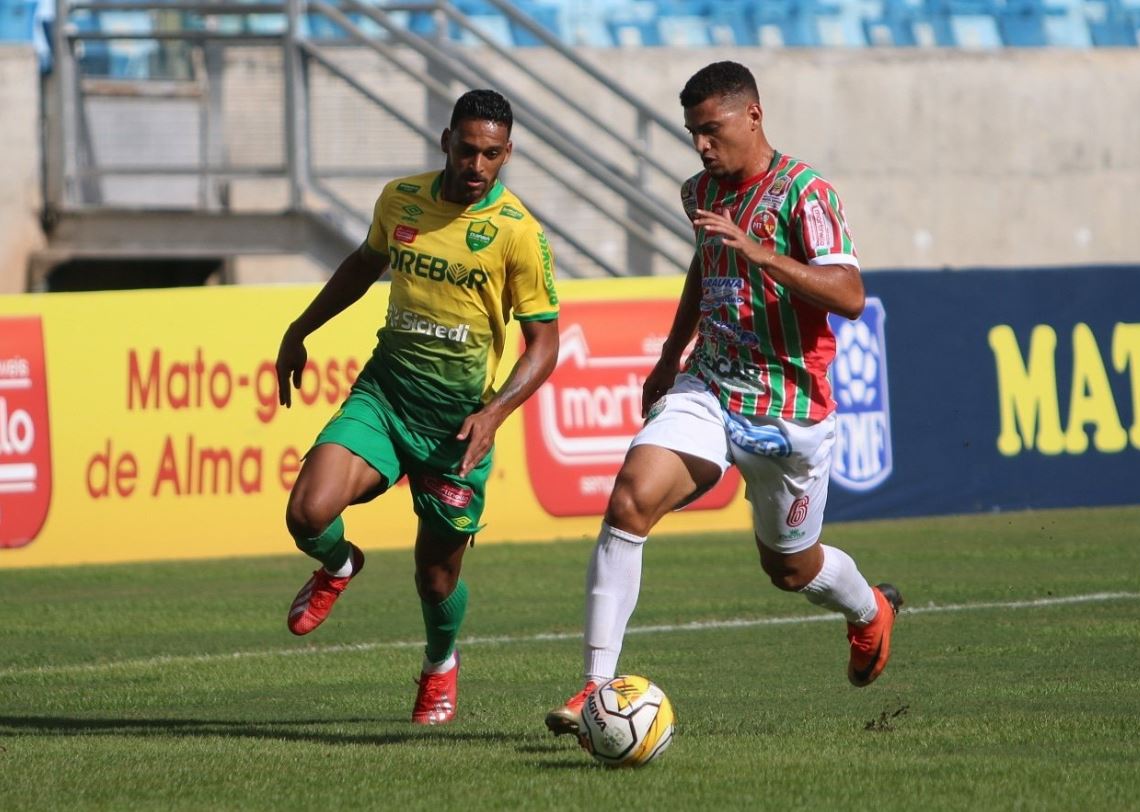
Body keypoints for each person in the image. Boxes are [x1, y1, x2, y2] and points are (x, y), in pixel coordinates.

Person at [545, 62, 901, 736]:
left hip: (790, 413)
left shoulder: (806, 193)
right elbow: (705, 264)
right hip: (709, 385)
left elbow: (849, 296)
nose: (701, 146)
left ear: (753, 116)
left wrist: (763, 255)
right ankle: (593, 686)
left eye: (711, 130)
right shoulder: (698, 191)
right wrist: (669, 351)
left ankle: (867, 612)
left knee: (791, 570)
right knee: (629, 500)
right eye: (692, 134)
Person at [276, 89, 560, 725]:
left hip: (457, 426)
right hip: (386, 393)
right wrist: (300, 329)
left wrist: (493, 415)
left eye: (491, 154)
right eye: (466, 150)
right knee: (307, 513)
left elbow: (545, 344)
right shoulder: (401, 199)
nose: (477, 165)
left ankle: (439, 665)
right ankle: (340, 564)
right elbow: (362, 264)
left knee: (435, 578)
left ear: (507, 153)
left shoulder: (518, 233)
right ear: (445, 142)